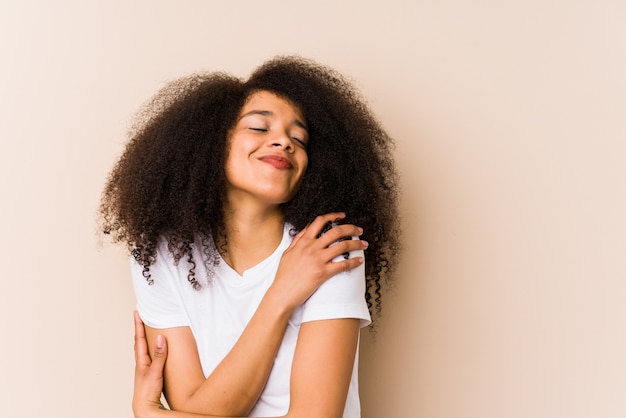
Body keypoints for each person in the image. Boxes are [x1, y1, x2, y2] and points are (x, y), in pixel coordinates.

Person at [99, 56, 400, 418]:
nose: (284, 142)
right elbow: (194, 406)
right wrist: (282, 294)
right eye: (259, 128)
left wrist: (154, 414)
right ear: (211, 144)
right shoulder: (160, 254)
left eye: (299, 138)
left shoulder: (329, 247)